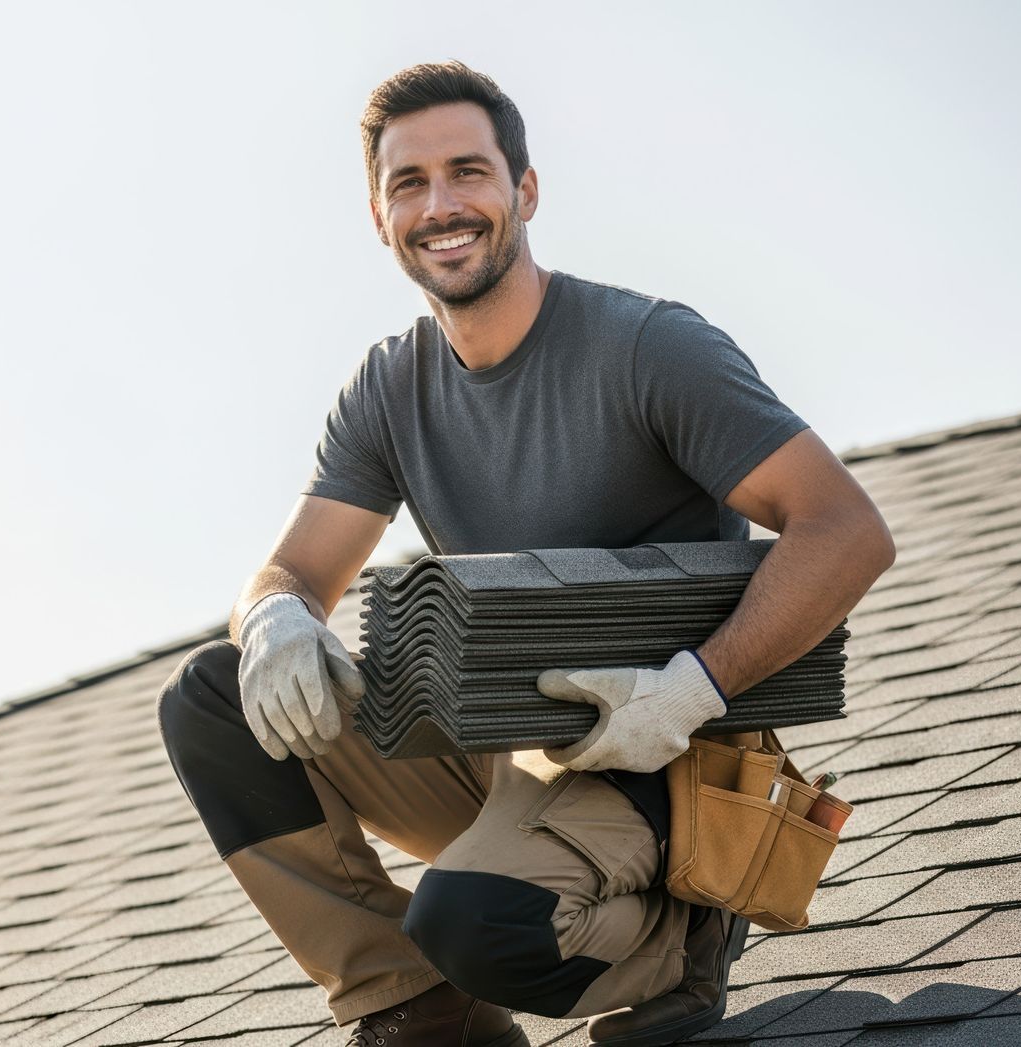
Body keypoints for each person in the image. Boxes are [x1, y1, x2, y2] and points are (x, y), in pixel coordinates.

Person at [156, 61, 895, 1047]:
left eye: (469, 170)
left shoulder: (647, 349)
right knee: (216, 696)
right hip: (504, 747)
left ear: (525, 190)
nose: (441, 204)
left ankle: (684, 941)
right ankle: (420, 1010)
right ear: (379, 217)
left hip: (657, 759)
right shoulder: (388, 389)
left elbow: (846, 530)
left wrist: (691, 691)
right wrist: (280, 617)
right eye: (408, 183)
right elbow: (290, 573)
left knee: (477, 924)